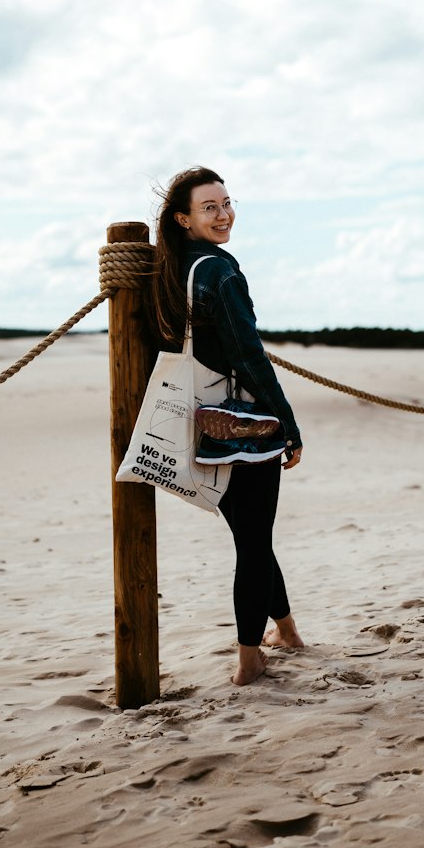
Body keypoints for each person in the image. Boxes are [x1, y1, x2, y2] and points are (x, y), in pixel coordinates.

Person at [151, 166, 305, 685]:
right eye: (209, 208)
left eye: (226, 203)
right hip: (241, 424)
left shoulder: (168, 269)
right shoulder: (220, 271)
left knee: (251, 536)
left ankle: (284, 630)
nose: (223, 215)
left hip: (197, 419)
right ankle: (248, 658)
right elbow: (248, 354)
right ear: (183, 219)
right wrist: (287, 422)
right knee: (255, 543)